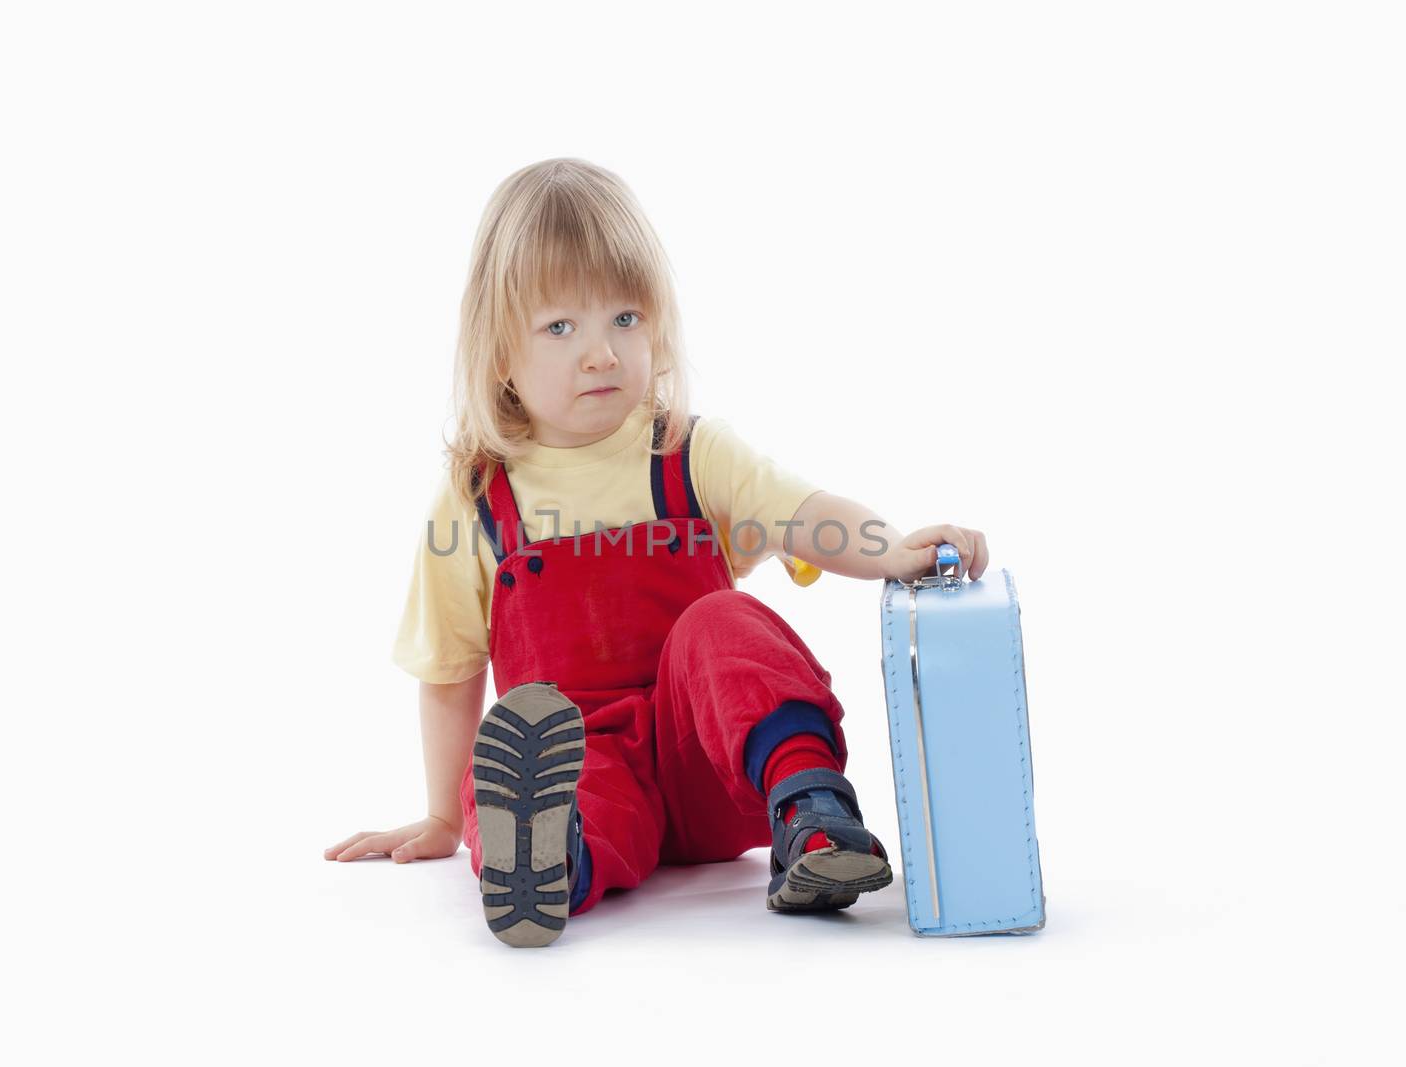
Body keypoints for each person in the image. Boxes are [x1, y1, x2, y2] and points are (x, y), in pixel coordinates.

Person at [324, 158, 989, 947]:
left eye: (626, 319)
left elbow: (806, 513)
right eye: (561, 327)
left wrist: (890, 549)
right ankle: (549, 859)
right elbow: (450, 670)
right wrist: (442, 811)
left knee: (725, 619)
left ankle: (813, 814)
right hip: (588, 763)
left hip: (710, 757)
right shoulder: (476, 502)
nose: (601, 352)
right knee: (530, 774)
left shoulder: (688, 452)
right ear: (500, 352)